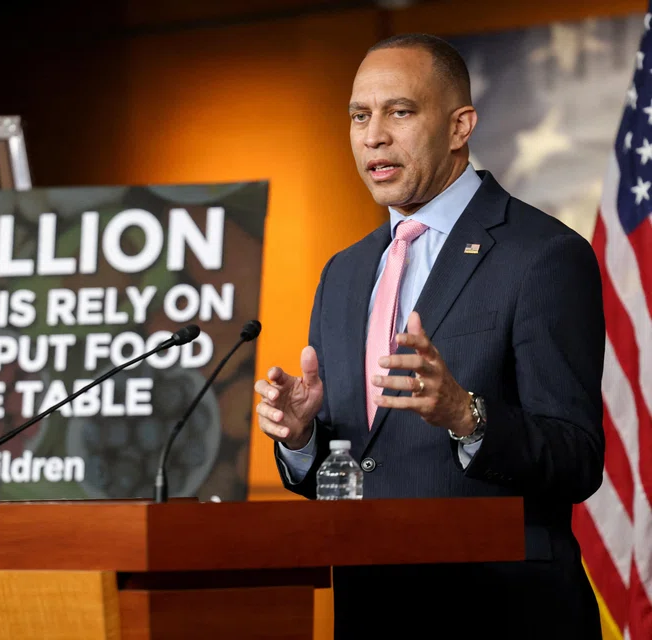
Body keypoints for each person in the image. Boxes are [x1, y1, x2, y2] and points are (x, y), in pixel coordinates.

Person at [255, 33, 605, 639]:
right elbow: (358, 470)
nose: (373, 136)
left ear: (459, 126)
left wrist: (467, 415)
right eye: (359, 116)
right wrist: (305, 439)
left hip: (503, 615)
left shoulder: (543, 255)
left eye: (400, 112)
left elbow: (577, 459)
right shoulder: (343, 272)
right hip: (373, 609)